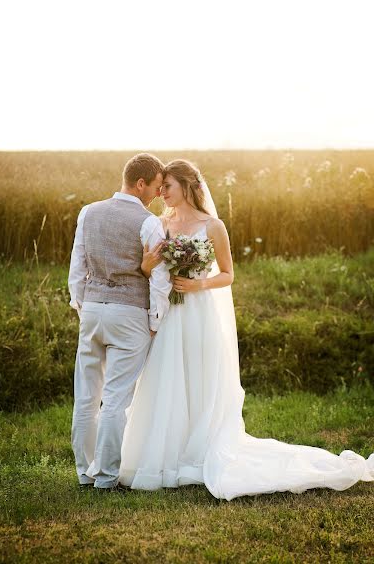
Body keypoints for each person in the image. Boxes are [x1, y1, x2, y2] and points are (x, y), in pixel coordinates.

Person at [119, 158, 374, 500]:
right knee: (167, 377)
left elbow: (228, 274)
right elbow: (151, 270)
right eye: (160, 186)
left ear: (188, 186)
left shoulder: (213, 226)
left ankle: (198, 449)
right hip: (169, 314)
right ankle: (165, 452)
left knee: (200, 378)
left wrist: (198, 285)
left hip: (198, 311)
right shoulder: (159, 223)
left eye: (168, 186)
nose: (161, 192)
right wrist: (149, 270)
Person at [68, 153, 172, 491]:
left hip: (93, 311)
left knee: (86, 397)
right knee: (115, 400)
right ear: (140, 183)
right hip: (129, 315)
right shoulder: (149, 223)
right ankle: (107, 477)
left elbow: (77, 267)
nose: (158, 194)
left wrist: (84, 305)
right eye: (156, 187)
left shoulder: (88, 212)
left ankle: (85, 473)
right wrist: (156, 319)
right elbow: (159, 279)